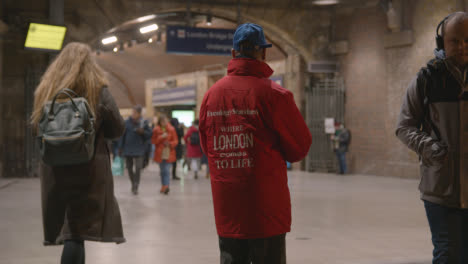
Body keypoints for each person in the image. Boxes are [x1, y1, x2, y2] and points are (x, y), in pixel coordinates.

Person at [199, 23, 312, 264]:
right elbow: (299, 148)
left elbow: (207, 147)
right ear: (263, 53)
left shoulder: (211, 95)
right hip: (266, 207)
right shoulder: (276, 95)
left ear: (232, 54)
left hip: (227, 205)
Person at [31, 42, 126, 264]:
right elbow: (118, 128)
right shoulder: (97, 90)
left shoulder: (46, 89)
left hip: (54, 168)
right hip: (88, 168)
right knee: (76, 233)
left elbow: (37, 128)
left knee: (71, 230)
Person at [396, 12, 468, 264]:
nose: (462, 47)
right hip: (440, 189)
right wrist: (432, 148)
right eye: (455, 40)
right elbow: (404, 126)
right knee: (447, 254)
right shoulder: (427, 79)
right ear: (442, 43)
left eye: (467, 40)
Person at [119, 105, 152, 195]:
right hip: (128, 148)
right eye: (132, 112)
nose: (133, 114)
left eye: (135, 113)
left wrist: (143, 132)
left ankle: (136, 185)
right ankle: (133, 183)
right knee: (129, 168)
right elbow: (122, 135)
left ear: (139, 113)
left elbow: (149, 135)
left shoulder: (144, 122)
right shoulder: (127, 122)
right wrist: (120, 147)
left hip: (139, 149)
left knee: (138, 168)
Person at [152, 115, 178, 194]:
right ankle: (163, 185)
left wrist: (170, 143)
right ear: (160, 122)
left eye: (165, 121)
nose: (164, 123)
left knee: (166, 170)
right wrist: (161, 137)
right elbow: (153, 141)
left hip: (169, 152)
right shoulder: (156, 130)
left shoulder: (172, 129)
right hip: (160, 153)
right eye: (162, 121)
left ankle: (166, 186)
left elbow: (176, 141)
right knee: (162, 171)